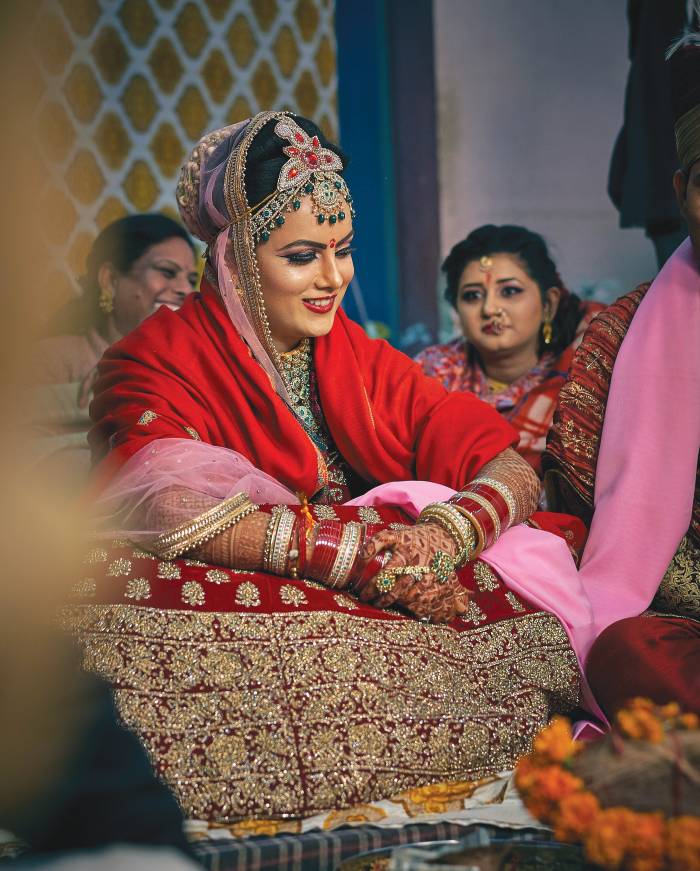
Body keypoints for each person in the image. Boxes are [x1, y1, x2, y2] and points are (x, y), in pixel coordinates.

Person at [77, 112, 600, 824]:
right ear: (233, 260)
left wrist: (440, 538)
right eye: (301, 256)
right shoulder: (149, 358)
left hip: (383, 577)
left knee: (507, 563)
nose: (332, 278)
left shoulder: (357, 355)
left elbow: (505, 464)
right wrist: (355, 557)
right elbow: (158, 498)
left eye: (343, 249)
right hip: (265, 580)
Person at [544, 34, 700, 716]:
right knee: (623, 654)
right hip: (687, 614)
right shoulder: (624, 329)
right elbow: (604, 528)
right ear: (680, 191)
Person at [416, 225, 603, 479]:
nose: (490, 309)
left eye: (510, 291)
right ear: (457, 311)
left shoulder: (583, 368)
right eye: (472, 296)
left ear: (548, 305)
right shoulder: (432, 372)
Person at [28, 214, 197, 486]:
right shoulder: (52, 359)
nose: (184, 290)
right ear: (109, 280)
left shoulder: (193, 368)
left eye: (191, 279)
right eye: (167, 272)